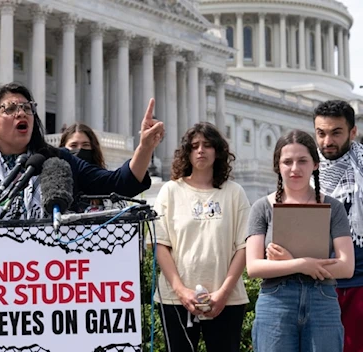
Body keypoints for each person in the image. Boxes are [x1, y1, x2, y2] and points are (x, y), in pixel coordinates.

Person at [0, 82, 164, 216]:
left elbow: (119, 184)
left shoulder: (59, 161)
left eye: (27, 108)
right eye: (9, 109)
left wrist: (145, 147)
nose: (21, 113)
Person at [246, 129, 354, 352]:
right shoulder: (261, 208)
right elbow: (254, 267)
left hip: (322, 301)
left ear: (315, 164)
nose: (295, 168)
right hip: (276, 303)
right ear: (278, 166)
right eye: (287, 162)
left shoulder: (333, 208)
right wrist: (303, 264)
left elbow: (346, 267)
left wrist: (286, 261)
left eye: (302, 161)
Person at [154, 122, 250, 352]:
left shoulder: (234, 192)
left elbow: (244, 246)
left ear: (217, 151)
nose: (200, 150)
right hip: (175, 300)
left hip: (227, 300)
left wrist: (223, 293)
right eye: (195, 145)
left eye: (207, 145)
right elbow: (160, 244)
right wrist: (181, 291)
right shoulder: (170, 191)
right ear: (187, 152)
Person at [313, 100, 363, 352]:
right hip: (317, 283)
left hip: (359, 284)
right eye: (321, 133)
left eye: (336, 133)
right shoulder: (305, 171)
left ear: (353, 132)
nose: (327, 141)